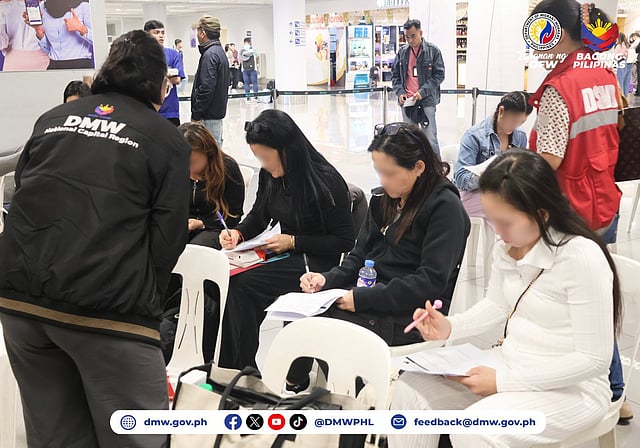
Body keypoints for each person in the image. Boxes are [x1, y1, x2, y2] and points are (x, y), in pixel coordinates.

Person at [0, 30, 190, 448]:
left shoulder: (52, 120)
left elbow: (23, 194)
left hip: (20, 302)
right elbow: (168, 236)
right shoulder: (163, 138)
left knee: (55, 437)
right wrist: (143, 300)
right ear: (159, 84)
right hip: (108, 311)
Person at [389, 149, 622, 448]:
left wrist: (503, 382)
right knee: (413, 387)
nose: (498, 231)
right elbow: (496, 305)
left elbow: (594, 360)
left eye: (506, 222)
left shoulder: (581, 257)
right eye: (492, 219)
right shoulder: (508, 247)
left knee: (474, 430)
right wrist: (450, 326)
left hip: (574, 388)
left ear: (542, 214)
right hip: (512, 364)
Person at [287, 122, 470, 392]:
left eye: (390, 173)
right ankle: (300, 386)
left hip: (412, 313)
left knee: (325, 326)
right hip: (373, 294)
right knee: (300, 311)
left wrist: (361, 299)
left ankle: (350, 398)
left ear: (418, 167)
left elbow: (429, 282)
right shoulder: (384, 199)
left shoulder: (445, 208)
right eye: (378, 171)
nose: (383, 180)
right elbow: (358, 255)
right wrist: (327, 279)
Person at [526, 0, 630, 422]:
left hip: (571, 210)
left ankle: (611, 390)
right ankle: (613, 390)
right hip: (605, 202)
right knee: (596, 295)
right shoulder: (604, 74)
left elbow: (549, 158)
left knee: (576, 304)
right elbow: (617, 126)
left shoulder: (560, 88)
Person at [218, 109, 355, 370]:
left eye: (266, 157)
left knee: (245, 285)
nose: (264, 165)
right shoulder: (269, 176)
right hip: (286, 252)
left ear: (287, 150)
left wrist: (294, 241)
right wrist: (238, 233)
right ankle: (235, 368)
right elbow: (259, 214)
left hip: (316, 262)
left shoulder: (325, 180)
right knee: (233, 281)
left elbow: (344, 240)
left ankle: (241, 368)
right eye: (258, 158)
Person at [454, 91, 532, 219]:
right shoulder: (474, 135)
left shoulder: (520, 136)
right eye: (513, 120)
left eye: (521, 122)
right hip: (475, 194)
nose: (516, 126)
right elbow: (461, 179)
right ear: (501, 111)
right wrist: (486, 177)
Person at [179, 122, 245, 249]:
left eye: (192, 162)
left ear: (208, 153)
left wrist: (202, 223)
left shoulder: (227, 169)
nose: (186, 167)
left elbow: (234, 214)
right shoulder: (175, 168)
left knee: (195, 251)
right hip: (184, 224)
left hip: (216, 227)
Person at [391, 19, 445, 155]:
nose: (410, 40)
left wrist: (422, 92)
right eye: (406, 37)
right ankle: (414, 166)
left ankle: (436, 166)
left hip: (426, 101)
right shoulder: (402, 52)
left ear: (420, 33)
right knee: (410, 140)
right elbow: (395, 76)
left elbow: (439, 75)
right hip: (408, 102)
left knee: (430, 138)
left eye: (413, 36)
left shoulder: (433, 51)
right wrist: (400, 92)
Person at [191, 14, 229, 145]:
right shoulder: (219, 52)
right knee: (215, 149)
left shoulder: (210, 55)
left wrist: (196, 114)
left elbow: (206, 87)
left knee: (209, 153)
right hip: (215, 115)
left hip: (208, 117)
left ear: (202, 33)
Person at [22, 0, 93, 69]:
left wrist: (81, 29)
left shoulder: (84, 6)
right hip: (54, 65)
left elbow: (97, 41)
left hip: (80, 65)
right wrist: (38, 29)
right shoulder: (43, 8)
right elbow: (48, 49)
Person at [144, 20, 185, 126]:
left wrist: (154, 74)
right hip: (147, 109)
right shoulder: (140, 55)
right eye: (156, 32)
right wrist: (167, 74)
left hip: (170, 111)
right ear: (147, 34)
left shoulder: (173, 54)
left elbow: (177, 79)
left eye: (162, 32)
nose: (161, 36)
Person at [0, 0, 49, 71]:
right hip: (13, 64)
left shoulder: (49, 6)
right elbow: (3, 42)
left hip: (43, 62)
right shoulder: (5, 7)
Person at [614, 33, 633, 98]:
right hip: (628, 62)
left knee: (620, 80)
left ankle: (621, 96)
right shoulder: (627, 45)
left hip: (621, 62)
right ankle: (625, 95)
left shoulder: (619, 46)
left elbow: (616, 55)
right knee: (626, 80)